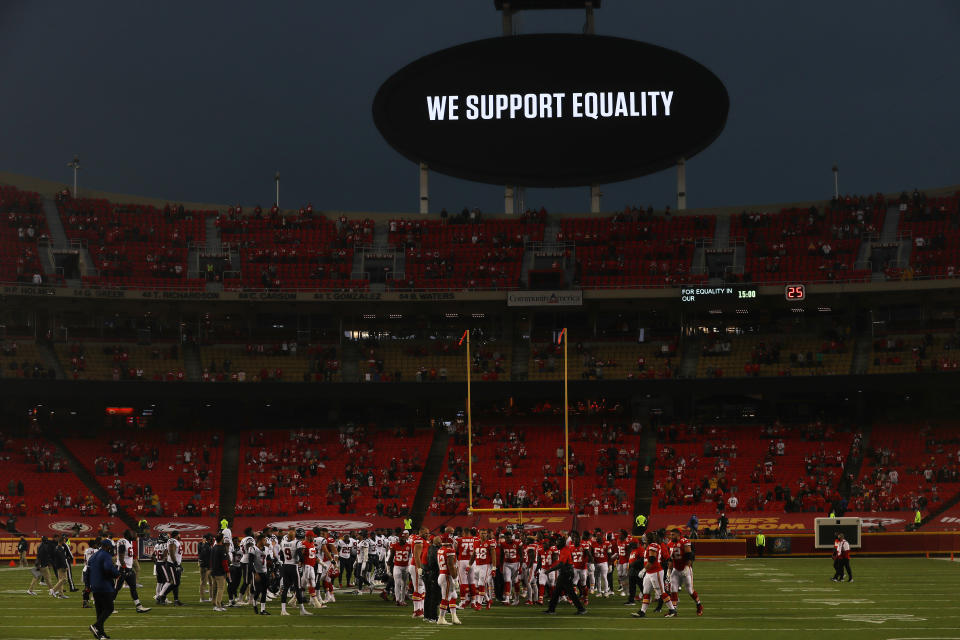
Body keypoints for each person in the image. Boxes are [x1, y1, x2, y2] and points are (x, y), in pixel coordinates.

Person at [631, 530, 676, 618]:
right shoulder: (650, 546)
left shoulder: (653, 545)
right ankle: (642, 611)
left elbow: (652, 559)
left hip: (656, 572)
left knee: (661, 592)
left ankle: (672, 610)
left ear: (649, 538)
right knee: (646, 592)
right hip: (649, 572)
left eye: (645, 537)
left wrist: (643, 570)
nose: (644, 538)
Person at [542, 533, 587, 615]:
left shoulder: (565, 550)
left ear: (562, 543)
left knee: (568, 593)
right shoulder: (563, 550)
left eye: (558, 543)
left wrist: (550, 570)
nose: (556, 544)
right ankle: (551, 609)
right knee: (558, 592)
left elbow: (561, 564)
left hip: (566, 573)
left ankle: (581, 609)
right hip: (565, 573)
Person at [88, 538, 120, 640]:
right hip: (104, 585)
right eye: (110, 547)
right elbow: (107, 568)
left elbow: (88, 571)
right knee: (109, 608)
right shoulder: (105, 555)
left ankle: (100, 634)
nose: (111, 549)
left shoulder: (93, 556)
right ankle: (96, 626)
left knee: (100, 611)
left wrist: (88, 586)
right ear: (106, 547)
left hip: (95, 586)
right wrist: (116, 573)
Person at [114, 530, 151, 613]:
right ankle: (109, 607)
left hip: (128, 568)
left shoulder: (128, 542)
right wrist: (125, 567)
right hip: (122, 568)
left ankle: (139, 606)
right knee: (116, 588)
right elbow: (120, 556)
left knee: (133, 587)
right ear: (128, 534)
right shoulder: (123, 541)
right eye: (133, 533)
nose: (135, 534)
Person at [436, 536, 462, 625]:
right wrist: (455, 579)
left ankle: (454, 617)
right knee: (445, 598)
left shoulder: (440, 550)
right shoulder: (449, 551)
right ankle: (441, 618)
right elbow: (451, 565)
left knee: (453, 596)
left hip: (442, 574)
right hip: (447, 576)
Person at [423, 534, 441, 623]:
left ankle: (427, 615)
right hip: (433, 574)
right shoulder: (434, 550)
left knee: (429, 595)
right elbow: (434, 563)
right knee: (434, 596)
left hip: (428, 573)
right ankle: (433, 617)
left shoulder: (430, 548)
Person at [210, 533, 229, 612]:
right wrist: (227, 571)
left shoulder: (213, 547)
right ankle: (218, 605)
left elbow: (211, 560)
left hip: (213, 571)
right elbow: (224, 562)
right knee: (220, 589)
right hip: (220, 572)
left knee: (214, 588)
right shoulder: (222, 548)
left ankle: (214, 604)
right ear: (221, 539)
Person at [197, 533, 213, 602]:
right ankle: (202, 598)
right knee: (203, 582)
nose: (211, 540)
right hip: (205, 566)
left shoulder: (204, 545)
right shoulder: (205, 545)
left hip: (207, 566)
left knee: (211, 582)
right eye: (210, 539)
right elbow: (203, 555)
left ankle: (211, 597)